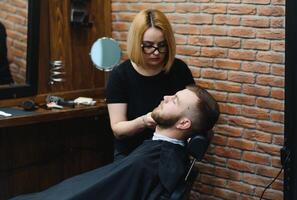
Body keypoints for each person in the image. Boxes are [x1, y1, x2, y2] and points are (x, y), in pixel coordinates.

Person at [10, 85, 220, 200]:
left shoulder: (149, 163)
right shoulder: (172, 158)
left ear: (184, 123)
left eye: (174, 100)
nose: (165, 96)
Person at [106, 9, 195, 160]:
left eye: (162, 45)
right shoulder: (120, 75)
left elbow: (193, 111)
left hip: (169, 153)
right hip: (131, 156)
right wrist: (144, 121)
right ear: (136, 43)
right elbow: (118, 129)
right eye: (148, 45)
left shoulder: (179, 70)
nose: (156, 52)